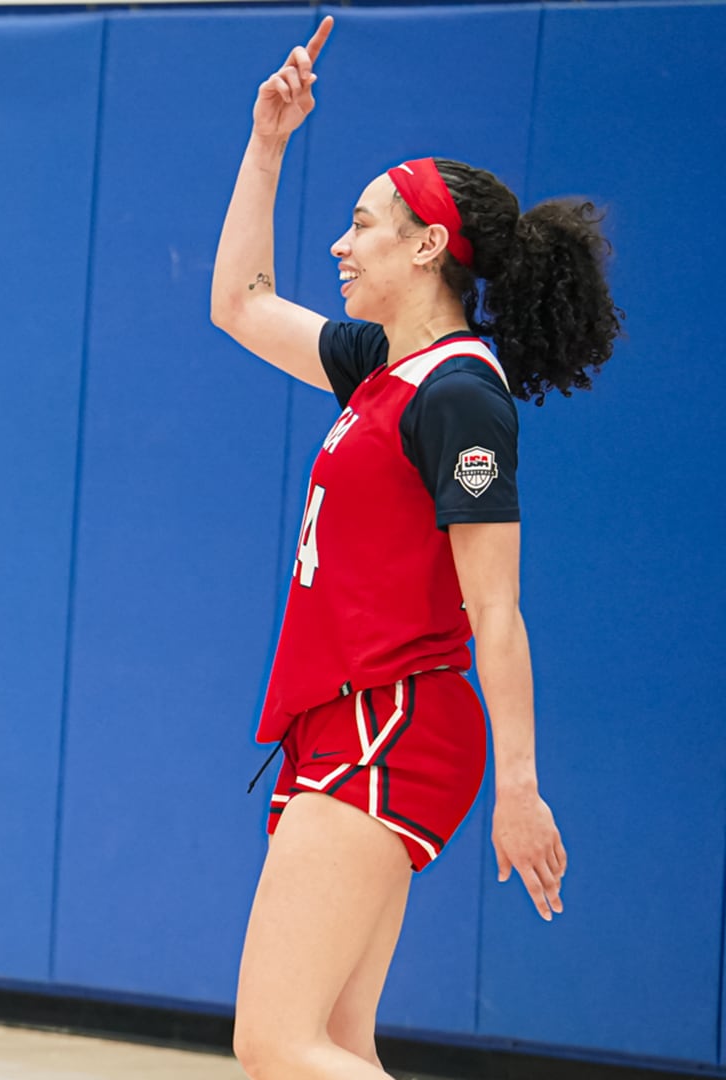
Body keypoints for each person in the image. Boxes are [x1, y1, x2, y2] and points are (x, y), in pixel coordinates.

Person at [208, 19, 621, 1079]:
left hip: (391, 717)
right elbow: (241, 306)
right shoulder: (382, 369)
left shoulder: (459, 396)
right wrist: (267, 145)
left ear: (429, 245)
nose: (340, 246)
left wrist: (520, 786)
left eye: (363, 226)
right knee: (336, 1048)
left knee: (274, 1044)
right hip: (346, 718)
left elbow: (496, 608)